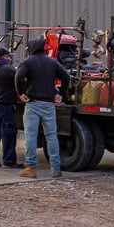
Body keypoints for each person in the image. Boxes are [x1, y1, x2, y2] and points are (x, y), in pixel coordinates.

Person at [15, 38, 71, 178]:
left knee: (31, 136)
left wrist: (20, 93)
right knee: (52, 136)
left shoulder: (27, 62)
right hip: (49, 105)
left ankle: (31, 169)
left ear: (32, 48)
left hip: (33, 103)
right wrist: (61, 94)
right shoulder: (52, 62)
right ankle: (56, 169)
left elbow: (19, 76)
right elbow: (65, 76)